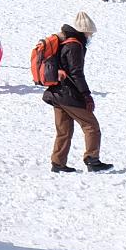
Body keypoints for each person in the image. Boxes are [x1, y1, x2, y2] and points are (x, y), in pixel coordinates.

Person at [44, 13, 110, 172]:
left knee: (64, 130)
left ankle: (58, 163)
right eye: (89, 33)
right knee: (91, 125)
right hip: (68, 93)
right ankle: (92, 159)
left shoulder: (64, 41)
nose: (90, 36)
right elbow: (76, 73)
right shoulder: (75, 46)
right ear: (83, 32)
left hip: (56, 92)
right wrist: (86, 95)